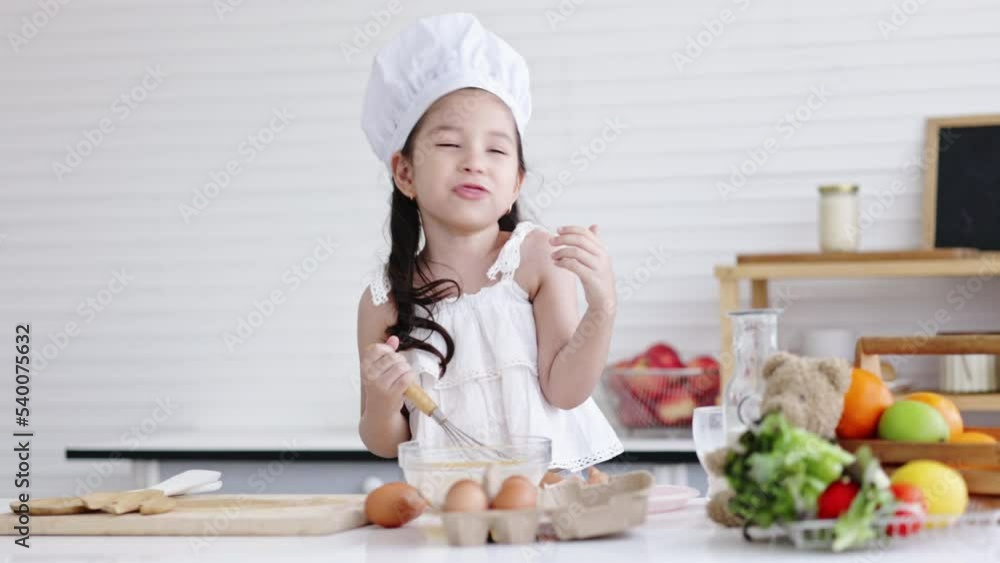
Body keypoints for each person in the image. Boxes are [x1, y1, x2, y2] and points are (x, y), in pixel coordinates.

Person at [356, 13, 623, 477]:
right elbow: (385, 442)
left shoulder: (536, 259)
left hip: (544, 495)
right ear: (405, 172)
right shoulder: (383, 300)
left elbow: (564, 391)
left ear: (516, 182)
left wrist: (603, 308)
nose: (475, 162)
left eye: (496, 150)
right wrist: (382, 399)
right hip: (448, 503)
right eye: (450, 145)